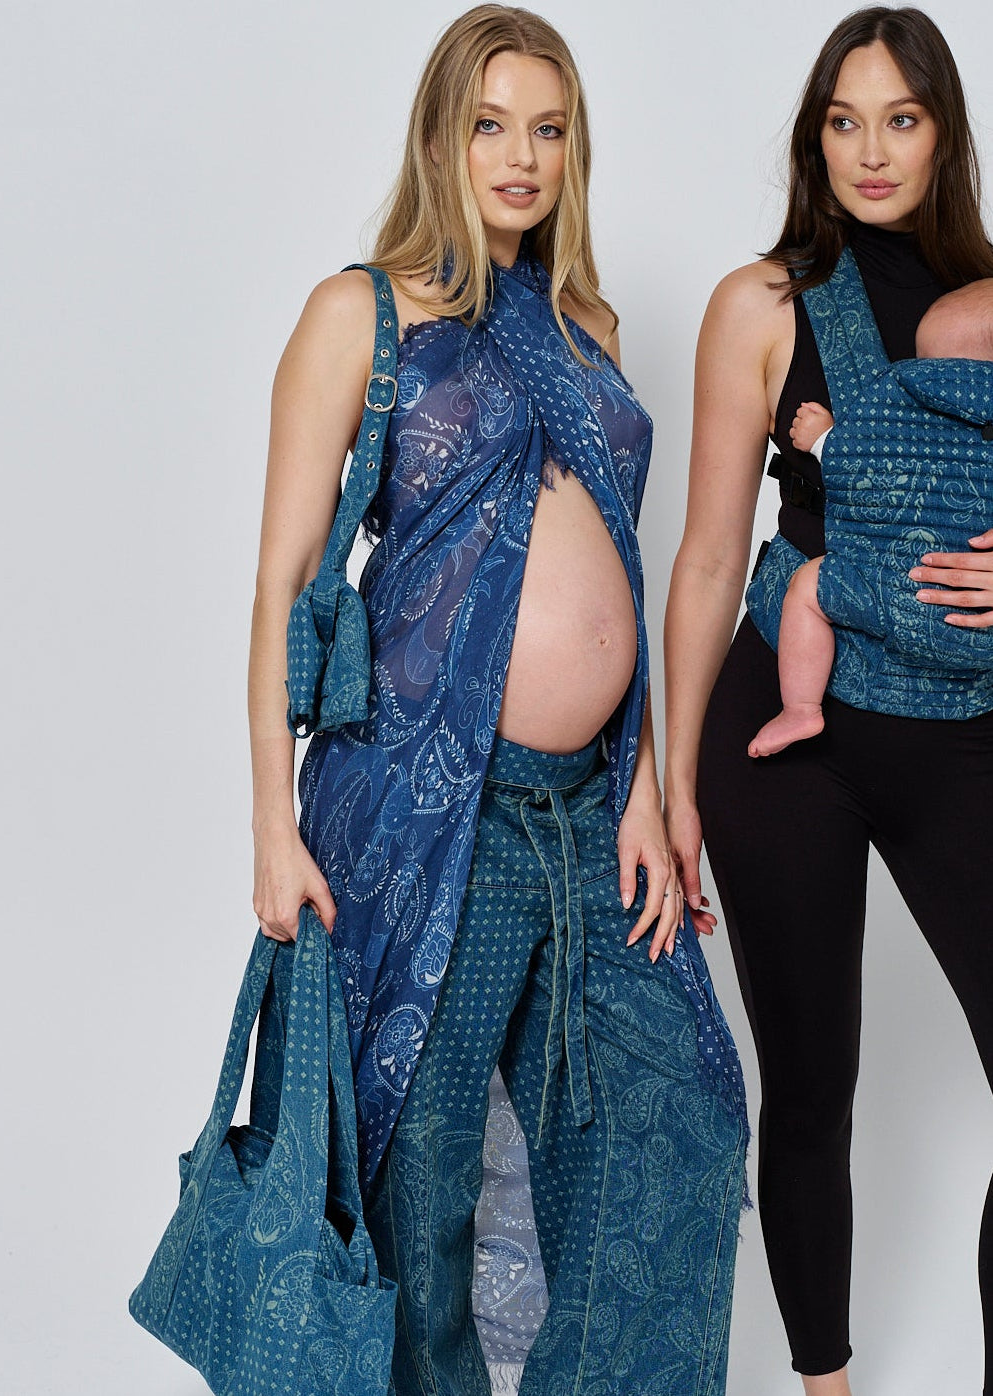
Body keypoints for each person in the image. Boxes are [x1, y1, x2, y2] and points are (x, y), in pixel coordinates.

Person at [248, 7, 747, 1396]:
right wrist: (266, 830)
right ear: (441, 136)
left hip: (591, 815)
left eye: (547, 127)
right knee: (421, 1172)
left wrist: (649, 784)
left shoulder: (584, 324)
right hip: (425, 809)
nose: (519, 157)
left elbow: (623, 575)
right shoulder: (360, 309)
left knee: (674, 1128)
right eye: (490, 124)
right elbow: (284, 587)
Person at [664, 7, 993, 1394]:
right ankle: (824, 1384)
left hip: (960, 724)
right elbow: (701, 553)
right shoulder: (763, 305)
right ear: (814, 137)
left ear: (944, 134)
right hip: (781, 728)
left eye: (901, 120)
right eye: (842, 121)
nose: (870, 151)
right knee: (806, 1093)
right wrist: (667, 789)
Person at [750, 277, 993, 757]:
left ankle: (800, 708)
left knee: (807, 588)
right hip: (979, 635)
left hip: (890, 593)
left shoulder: (912, 407)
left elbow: (870, 468)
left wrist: (823, 439)